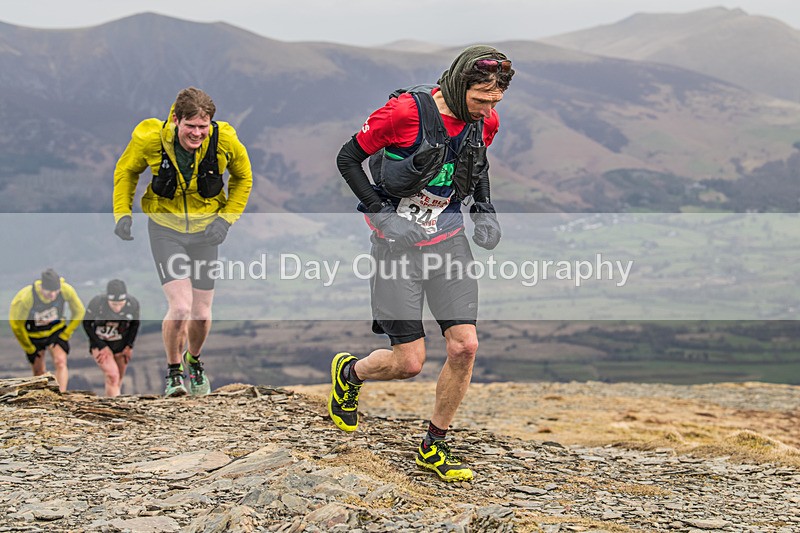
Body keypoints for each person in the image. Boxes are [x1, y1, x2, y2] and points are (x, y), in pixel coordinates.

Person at [330, 45, 514, 482]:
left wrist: (484, 207)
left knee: (465, 345)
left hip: (449, 243)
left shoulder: (486, 121)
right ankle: (350, 372)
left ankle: (434, 445)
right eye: (480, 99)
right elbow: (347, 158)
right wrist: (383, 215)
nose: (487, 110)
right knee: (407, 363)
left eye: (495, 102)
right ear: (458, 84)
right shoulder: (405, 113)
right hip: (397, 249)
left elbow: (476, 161)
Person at [112, 87, 253, 397]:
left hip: (206, 232)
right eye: (191, 126)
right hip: (165, 229)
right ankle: (174, 372)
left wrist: (226, 219)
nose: (198, 133)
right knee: (180, 307)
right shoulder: (150, 138)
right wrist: (122, 214)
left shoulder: (224, 140)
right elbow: (126, 171)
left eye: (204, 127)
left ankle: (195, 360)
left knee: (201, 313)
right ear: (176, 120)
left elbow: (244, 178)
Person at [9, 268, 86, 392]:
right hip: (34, 335)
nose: (53, 295)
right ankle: (42, 396)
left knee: (60, 361)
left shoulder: (66, 290)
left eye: (56, 292)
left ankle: (61, 395)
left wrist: (66, 334)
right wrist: (29, 348)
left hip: (56, 331)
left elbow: (79, 311)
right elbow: (16, 325)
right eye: (49, 292)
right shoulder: (25, 298)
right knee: (38, 369)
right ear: (41, 288)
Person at [82, 279, 140, 397]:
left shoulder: (132, 304)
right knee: (113, 376)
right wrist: (101, 346)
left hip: (121, 345)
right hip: (100, 344)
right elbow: (86, 324)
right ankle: (116, 407)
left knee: (117, 380)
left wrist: (129, 346)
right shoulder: (97, 303)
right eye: (114, 304)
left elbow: (135, 324)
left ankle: (110, 403)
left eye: (120, 304)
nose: (117, 308)